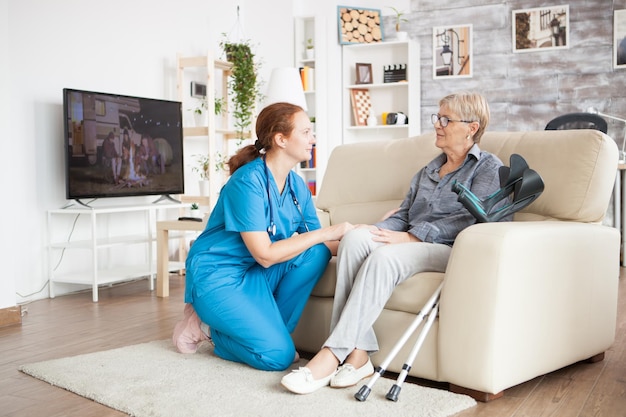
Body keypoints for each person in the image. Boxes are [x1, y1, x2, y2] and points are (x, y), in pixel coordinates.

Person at [281, 91, 511, 394]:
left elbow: (472, 219)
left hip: (452, 250)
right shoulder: (427, 171)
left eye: (445, 119)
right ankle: (359, 355)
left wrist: (413, 236)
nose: (437, 125)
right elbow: (403, 215)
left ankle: (331, 354)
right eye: (436, 118)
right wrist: (372, 231)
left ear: (471, 127)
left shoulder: (487, 168)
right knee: (355, 239)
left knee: (383, 258)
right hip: (411, 242)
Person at [172, 102, 354, 372]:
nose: (312, 139)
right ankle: (207, 327)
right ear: (281, 139)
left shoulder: (296, 187)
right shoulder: (247, 182)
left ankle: (269, 337)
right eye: (305, 132)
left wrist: (369, 238)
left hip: (253, 273)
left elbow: (320, 243)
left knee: (317, 253)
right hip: (217, 277)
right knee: (278, 357)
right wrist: (330, 231)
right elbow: (266, 255)